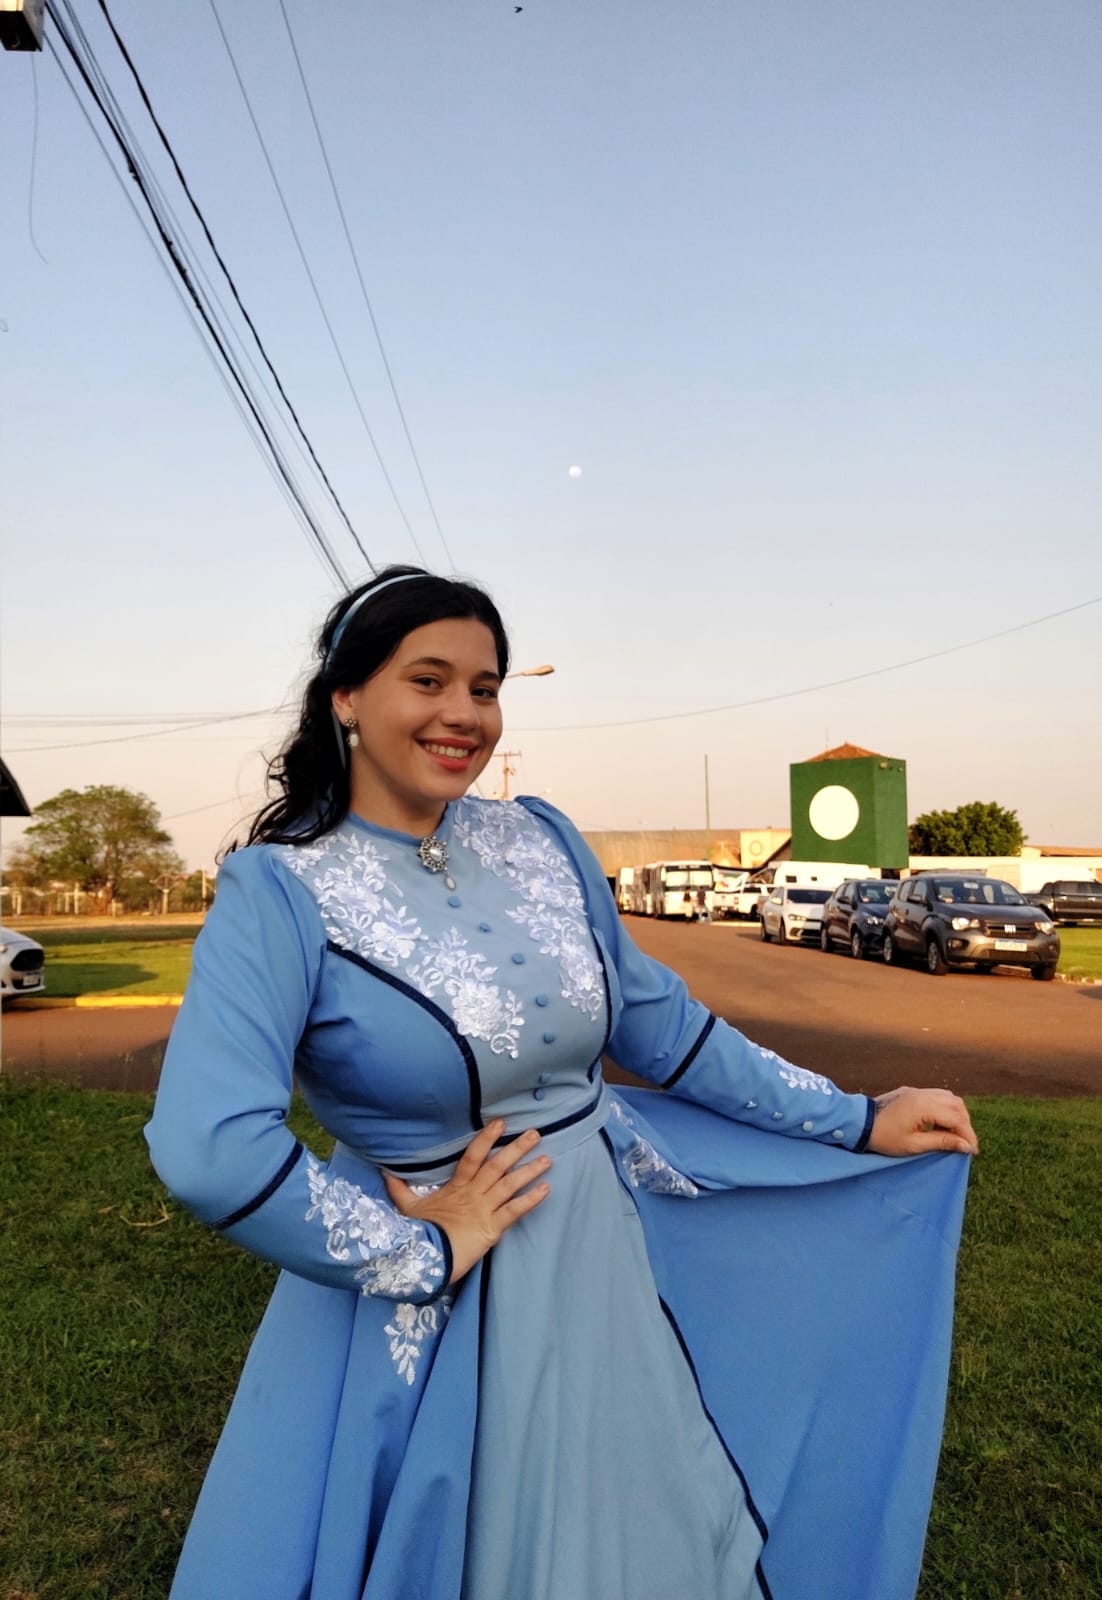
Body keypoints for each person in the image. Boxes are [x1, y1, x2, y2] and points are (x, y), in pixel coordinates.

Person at [146, 566, 978, 1600]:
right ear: (346, 698)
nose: (463, 713)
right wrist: (422, 1247)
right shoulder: (279, 888)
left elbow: (660, 1025)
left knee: (645, 1521)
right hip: (438, 1289)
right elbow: (209, 1147)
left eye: (485, 688)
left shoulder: (540, 837)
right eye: (428, 680)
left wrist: (853, 1119)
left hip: (607, 1246)